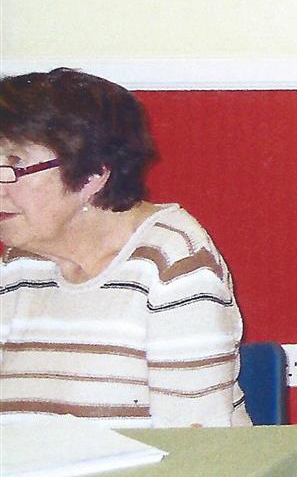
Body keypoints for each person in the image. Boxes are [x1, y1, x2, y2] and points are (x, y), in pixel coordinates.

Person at [0, 68, 248, 427]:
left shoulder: (172, 263)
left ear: (92, 176)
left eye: (14, 166)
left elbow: (195, 447)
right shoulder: (20, 263)